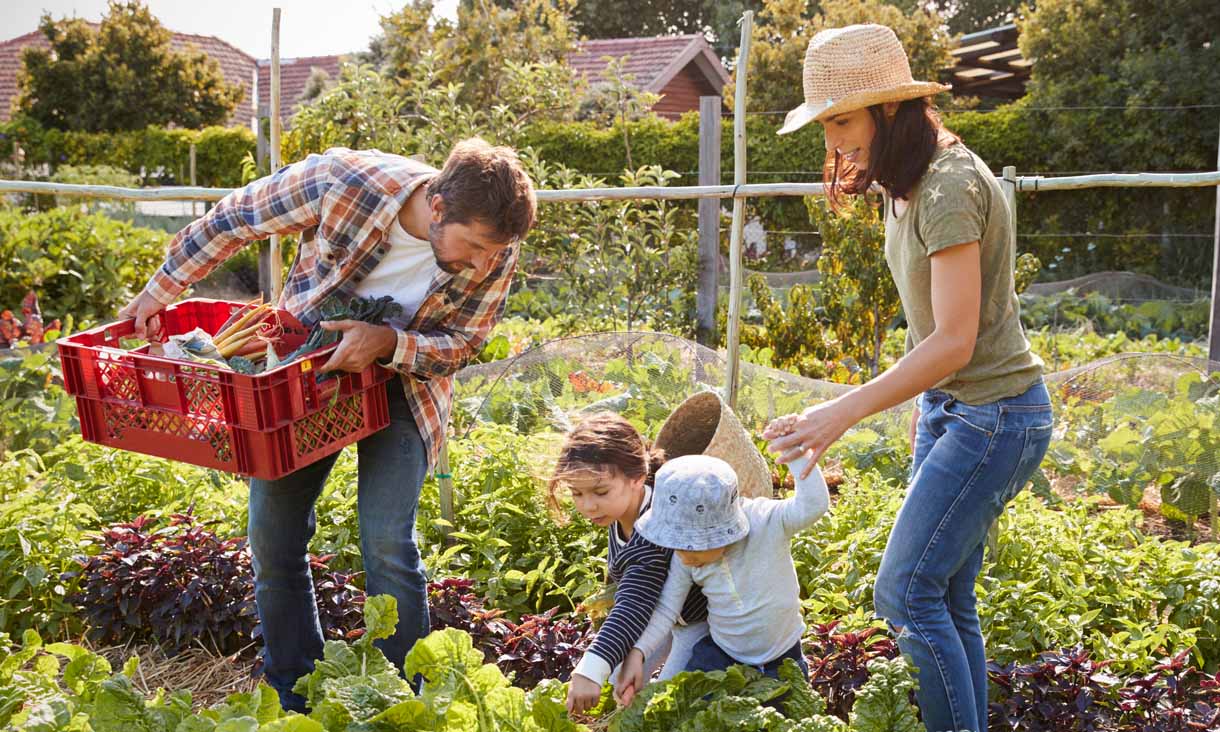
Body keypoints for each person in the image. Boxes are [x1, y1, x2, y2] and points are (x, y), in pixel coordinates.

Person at [119, 139, 538, 712]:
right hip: (303, 379)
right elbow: (234, 220)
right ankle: (295, 694)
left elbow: (465, 344)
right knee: (274, 538)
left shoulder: (496, 247)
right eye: (475, 247)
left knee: (388, 541)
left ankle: (398, 706)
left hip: (404, 388)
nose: (484, 264)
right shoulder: (346, 182)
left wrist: (387, 341)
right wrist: (157, 293)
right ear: (437, 207)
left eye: (494, 253)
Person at [765, 24, 1053, 732]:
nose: (832, 142)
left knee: (904, 593)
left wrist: (840, 413)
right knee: (947, 598)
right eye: (824, 124)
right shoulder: (909, 181)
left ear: (889, 109)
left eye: (840, 120)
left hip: (996, 415)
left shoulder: (949, 186)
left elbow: (954, 342)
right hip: (956, 410)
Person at [617, 453, 830, 703]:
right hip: (722, 655)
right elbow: (666, 609)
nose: (683, 556)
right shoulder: (684, 558)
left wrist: (796, 451)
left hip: (782, 658)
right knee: (688, 707)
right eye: (675, 544)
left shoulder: (766, 522)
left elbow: (813, 506)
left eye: (690, 545)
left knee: (782, 716)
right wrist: (638, 653)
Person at [549, 413, 709, 715]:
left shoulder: (654, 528)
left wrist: (588, 670)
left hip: (699, 623)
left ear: (637, 477)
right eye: (576, 493)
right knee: (618, 683)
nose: (587, 505)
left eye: (599, 492)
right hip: (664, 616)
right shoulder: (622, 510)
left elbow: (633, 605)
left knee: (664, 705)